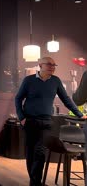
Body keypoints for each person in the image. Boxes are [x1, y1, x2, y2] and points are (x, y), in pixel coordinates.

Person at [15, 57, 87, 186]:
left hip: (46, 122)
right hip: (30, 121)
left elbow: (66, 99)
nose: (52, 67)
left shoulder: (56, 81)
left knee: (40, 153)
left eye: (54, 65)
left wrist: (79, 114)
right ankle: (34, 180)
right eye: (49, 64)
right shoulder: (29, 81)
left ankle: (36, 182)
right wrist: (22, 118)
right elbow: (18, 99)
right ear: (40, 65)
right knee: (30, 153)